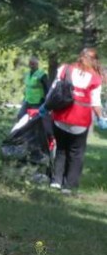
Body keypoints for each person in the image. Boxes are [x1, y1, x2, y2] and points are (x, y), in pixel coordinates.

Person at [42, 48, 107, 195]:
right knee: (76, 153)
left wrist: (45, 107)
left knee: (61, 150)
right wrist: (102, 118)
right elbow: (95, 103)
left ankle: (56, 181)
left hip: (60, 117)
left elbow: (53, 90)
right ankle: (69, 186)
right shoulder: (96, 78)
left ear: (79, 57)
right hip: (80, 120)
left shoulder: (65, 69)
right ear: (94, 61)